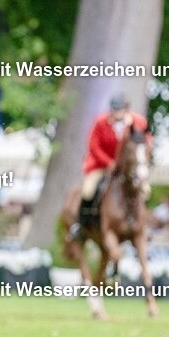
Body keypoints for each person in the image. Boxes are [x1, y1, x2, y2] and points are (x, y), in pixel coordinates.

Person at [67, 93, 149, 241]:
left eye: (120, 110)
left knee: (144, 189)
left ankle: (143, 225)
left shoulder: (139, 122)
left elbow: (146, 140)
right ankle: (80, 224)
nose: (117, 113)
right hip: (101, 166)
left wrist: (141, 157)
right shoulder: (101, 122)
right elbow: (93, 146)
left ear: (126, 110)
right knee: (88, 190)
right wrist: (108, 163)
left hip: (127, 168)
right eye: (115, 110)